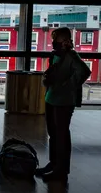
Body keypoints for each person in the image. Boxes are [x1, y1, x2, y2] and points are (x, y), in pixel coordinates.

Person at [35, 27, 91, 182]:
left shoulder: (72, 56)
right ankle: (54, 164)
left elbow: (84, 72)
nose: (53, 42)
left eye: (56, 39)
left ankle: (61, 169)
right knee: (54, 134)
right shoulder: (56, 56)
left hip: (63, 101)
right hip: (51, 98)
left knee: (62, 135)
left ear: (65, 41)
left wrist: (67, 86)